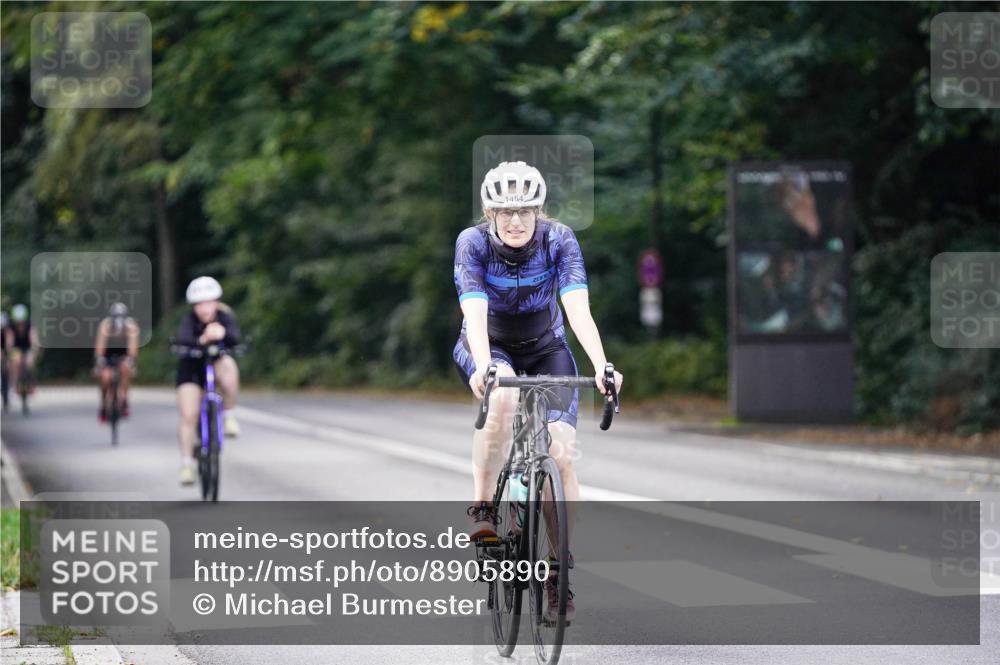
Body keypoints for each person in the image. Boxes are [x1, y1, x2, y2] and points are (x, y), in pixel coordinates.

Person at [453, 161, 623, 622]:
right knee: (504, 398)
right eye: (505, 211)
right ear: (489, 212)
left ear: (539, 210)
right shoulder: (472, 243)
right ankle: (484, 507)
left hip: (547, 347)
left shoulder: (559, 239)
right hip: (489, 343)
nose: (515, 220)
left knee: (563, 454)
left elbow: (577, 308)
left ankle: (556, 573)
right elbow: (473, 311)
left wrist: (601, 365)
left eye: (525, 210)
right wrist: (486, 367)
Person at [175, 277, 242, 486]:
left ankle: (229, 414)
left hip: (216, 365)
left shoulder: (225, 317)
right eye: (199, 304)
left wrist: (223, 334)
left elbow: (236, 338)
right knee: (188, 415)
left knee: (229, 365)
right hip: (191, 369)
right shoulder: (189, 321)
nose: (204, 308)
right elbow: (182, 340)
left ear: (217, 302)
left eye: (208, 302)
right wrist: (202, 339)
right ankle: (187, 464)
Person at [93, 302, 141, 421]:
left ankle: (124, 398)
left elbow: (133, 350)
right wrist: (100, 361)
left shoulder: (131, 326)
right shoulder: (106, 325)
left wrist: (130, 361)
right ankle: (104, 404)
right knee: (105, 377)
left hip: (123, 354)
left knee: (126, 369)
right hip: (108, 354)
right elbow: (99, 348)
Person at [5, 304, 40, 400]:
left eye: (22, 322)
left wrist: (35, 347)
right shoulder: (10, 326)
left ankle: (31, 383)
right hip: (16, 348)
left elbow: (34, 338)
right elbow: (9, 341)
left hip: (27, 347)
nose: (20, 324)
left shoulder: (30, 325)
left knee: (30, 361)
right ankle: (15, 384)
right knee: (16, 361)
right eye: (18, 322)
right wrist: (9, 350)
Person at [1, 311, 9, 411]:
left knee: (5, 373)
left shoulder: (8, 333)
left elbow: (9, 345)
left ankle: (6, 399)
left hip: (4, 356)